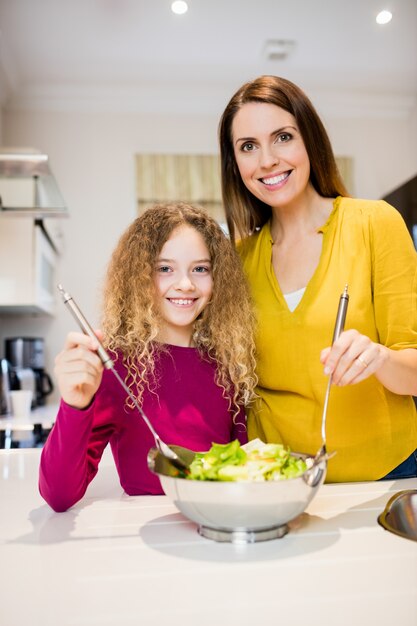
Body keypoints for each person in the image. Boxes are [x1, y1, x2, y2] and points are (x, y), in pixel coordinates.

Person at [218, 74, 417, 482]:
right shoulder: (237, 260)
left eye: (283, 137)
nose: (267, 160)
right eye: (248, 147)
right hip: (278, 482)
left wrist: (379, 357)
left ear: (310, 139)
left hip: (383, 476)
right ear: (235, 163)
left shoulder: (374, 223)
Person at [39, 202, 257, 511]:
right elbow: (59, 495)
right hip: (147, 543)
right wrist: (75, 404)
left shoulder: (229, 360)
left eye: (200, 269)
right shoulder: (114, 368)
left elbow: (245, 469)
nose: (185, 284)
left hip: (221, 529)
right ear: (139, 278)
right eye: (165, 268)